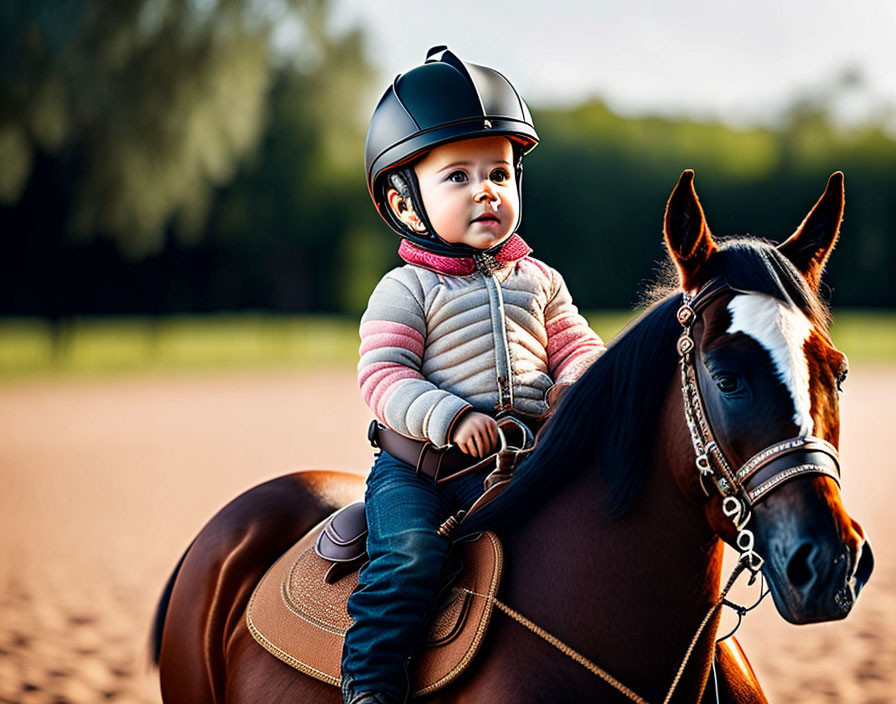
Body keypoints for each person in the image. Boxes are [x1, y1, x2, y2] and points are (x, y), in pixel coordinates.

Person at [341, 46, 606, 704]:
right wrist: (452, 418)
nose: (486, 189)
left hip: (530, 462)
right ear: (406, 204)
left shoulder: (540, 282)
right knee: (409, 560)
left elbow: (576, 346)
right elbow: (384, 378)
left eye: (500, 173)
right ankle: (372, 686)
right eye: (457, 176)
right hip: (424, 469)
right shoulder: (406, 290)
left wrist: (580, 387)